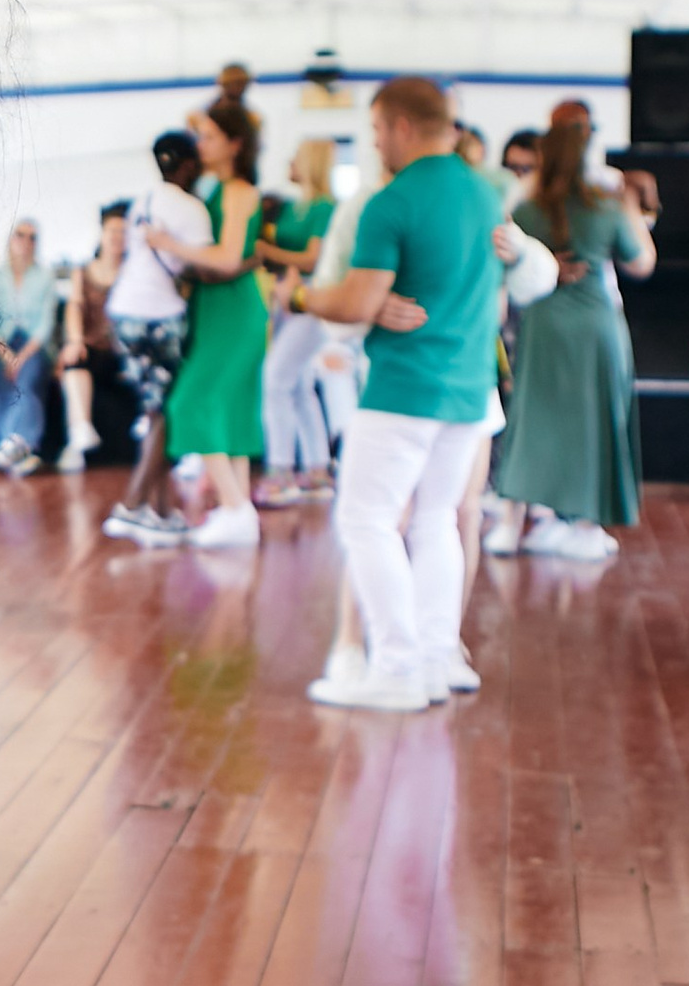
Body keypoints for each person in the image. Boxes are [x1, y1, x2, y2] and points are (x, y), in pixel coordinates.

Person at [303, 73, 505, 712]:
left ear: (400, 127)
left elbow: (356, 302)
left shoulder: (391, 202)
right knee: (437, 519)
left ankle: (395, 667)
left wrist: (307, 295)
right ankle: (440, 656)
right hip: (470, 389)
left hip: (405, 387)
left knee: (365, 519)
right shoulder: (485, 194)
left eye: (375, 131)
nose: (376, 145)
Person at [488, 115, 653, 562]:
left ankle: (510, 523)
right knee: (597, 421)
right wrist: (633, 208)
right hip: (595, 323)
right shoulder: (608, 205)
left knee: (531, 420)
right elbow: (642, 263)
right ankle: (584, 524)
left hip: (542, 321)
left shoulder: (524, 209)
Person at [163, 74, 267, 550]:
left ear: (234, 143)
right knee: (232, 410)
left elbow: (227, 256)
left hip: (235, 309)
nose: (200, 144)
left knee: (193, 402)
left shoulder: (240, 190)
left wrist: (168, 244)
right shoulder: (217, 188)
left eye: (209, 137)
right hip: (214, 308)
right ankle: (237, 509)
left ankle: (235, 508)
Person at [103, 131, 211, 541]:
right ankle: (131, 507)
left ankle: (163, 513)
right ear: (187, 165)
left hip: (124, 314)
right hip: (160, 317)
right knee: (164, 414)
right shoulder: (193, 208)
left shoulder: (142, 200)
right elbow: (201, 267)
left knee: (154, 412)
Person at [256, 134, 341, 499]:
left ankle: (280, 471)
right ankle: (317, 468)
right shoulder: (291, 208)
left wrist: (265, 250)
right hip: (283, 302)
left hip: (309, 301)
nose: (289, 164)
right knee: (299, 385)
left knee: (275, 380)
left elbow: (312, 260)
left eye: (295, 158)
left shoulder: (325, 208)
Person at [0, 218, 57, 472]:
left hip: (33, 346)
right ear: (11, 239)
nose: (26, 242)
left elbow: (45, 324)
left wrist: (21, 358)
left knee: (28, 378)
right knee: (0, 381)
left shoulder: (45, 276)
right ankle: (12, 445)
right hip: (1, 345)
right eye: (21, 235)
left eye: (33, 237)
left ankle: (19, 441)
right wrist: (7, 356)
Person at [56, 202, 130, 468]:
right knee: (75, 361)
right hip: (94, 346)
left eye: (123, 231)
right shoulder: (84, 271)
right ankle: (79, 435)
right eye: (112, 231)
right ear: (102, 233)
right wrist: (75, 339)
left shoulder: (134, 272)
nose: (117, 237)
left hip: (126, 350)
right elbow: (75, 306)